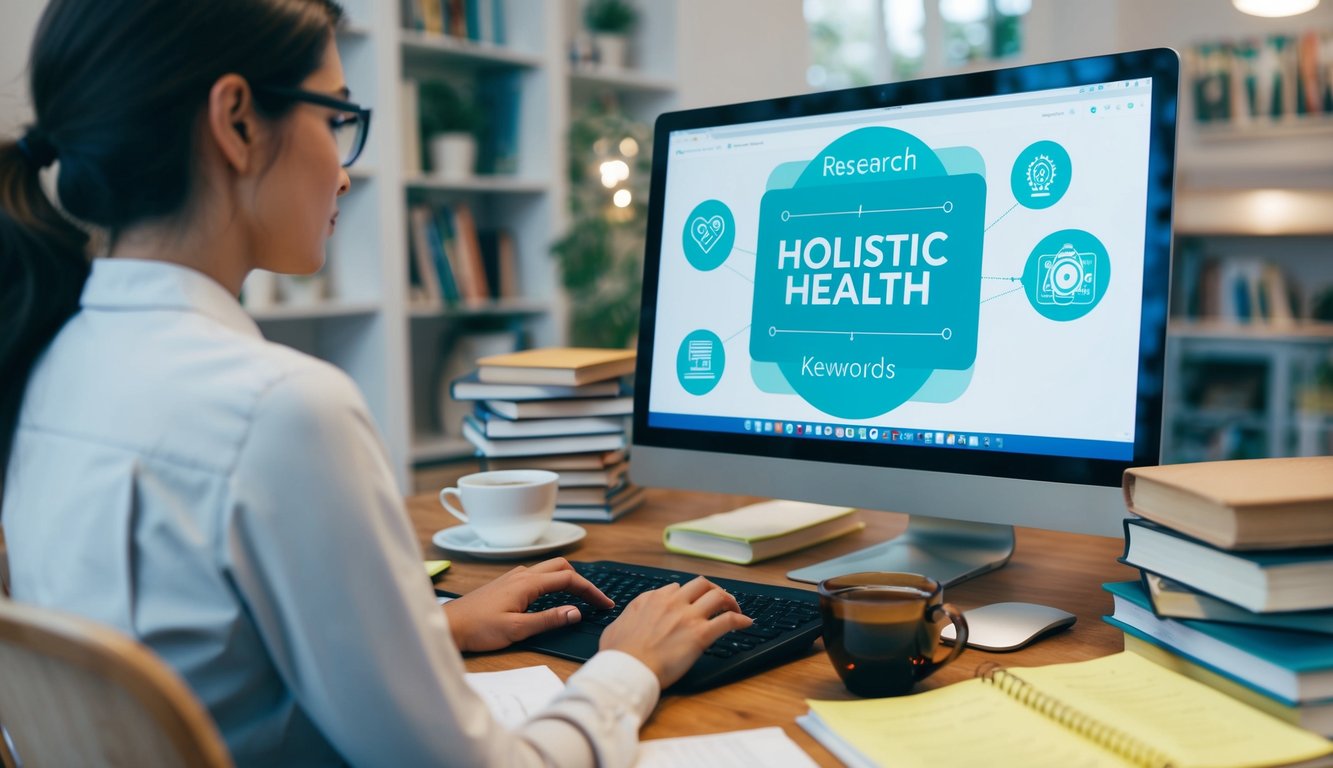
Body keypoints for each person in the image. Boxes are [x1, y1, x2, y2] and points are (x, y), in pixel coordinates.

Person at [0, 1, 752, 766]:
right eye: (334, 118)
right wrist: (629, 664)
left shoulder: (53, 365)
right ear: (236, 122)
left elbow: (204, 657)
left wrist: (433, 629)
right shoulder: (279, 411)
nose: (345, 169)